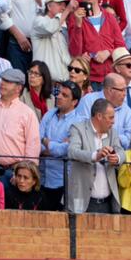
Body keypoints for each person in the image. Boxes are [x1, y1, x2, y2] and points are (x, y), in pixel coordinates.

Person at [65, 99, 123, 214]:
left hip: (108, 202)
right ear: (99, 116)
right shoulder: (77, 128)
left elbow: (121, 151)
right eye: (110, 117)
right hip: (82, 200)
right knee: (78, 232)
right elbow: (72, 151)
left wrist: (117, 158)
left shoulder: (113, 132)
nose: (113, 121)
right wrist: (95, 155)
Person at [0, 68, 41, 170]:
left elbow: (33, 147)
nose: (2, 83)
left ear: (18, 88)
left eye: (8, 82)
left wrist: (25, 172)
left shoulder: (27, 113)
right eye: (2, 80)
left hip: (12, 171)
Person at [68, 0, 125, 90]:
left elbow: (121, 47)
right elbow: (74, 52)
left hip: (110, 79)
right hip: (87, 80)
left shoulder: (110, 17)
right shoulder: (74, 17)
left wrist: (108, 52)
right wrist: (78, 24)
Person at [39, 80, 81, 211]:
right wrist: (56, 146)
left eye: (65, 95)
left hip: (63, 183)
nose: (59, 96)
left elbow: (67, 149)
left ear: (74, 102)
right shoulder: (48, 115)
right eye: (59, 93)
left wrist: (48, 143)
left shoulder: (78, 122)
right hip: (42, 179)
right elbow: (37, 142)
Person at [76, 73, 131, 149]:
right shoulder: (88, 101)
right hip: (89, 155)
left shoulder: (127, 111)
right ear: (110, 90)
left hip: (116, 157)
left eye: (126, 90)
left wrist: (108, 136)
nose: (125, 94)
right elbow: (81, 131)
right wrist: (117, 138)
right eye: (122, 90)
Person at [31, 0, 75, 82]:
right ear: (49, 6)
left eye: (64, 5)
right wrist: (67, 10)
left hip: (64, 82)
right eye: (59, 4)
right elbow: (51, 28)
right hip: (45, 82)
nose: (63, 7)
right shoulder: (39, 21)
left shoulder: (64, 27)